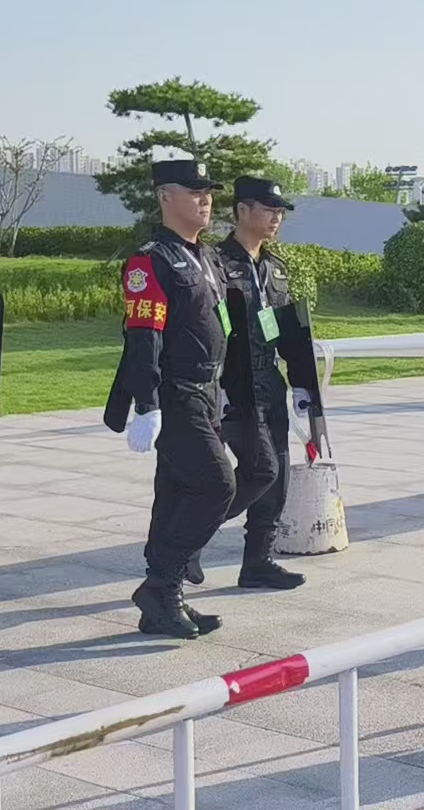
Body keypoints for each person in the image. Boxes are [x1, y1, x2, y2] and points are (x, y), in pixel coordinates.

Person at [105, 158, 235, 640]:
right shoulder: (151, 260)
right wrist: (147, 402)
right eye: (194, 191)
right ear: (165, 197)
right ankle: (161, 585)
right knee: (217, 484)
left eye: (208, 192)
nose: (205, 200)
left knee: (178, 489)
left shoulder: (207, 257)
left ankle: (164, 598)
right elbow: (144, 335)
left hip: (208, 390)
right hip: (176, 392)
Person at [184, 175, 310, 591]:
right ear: (242, 210)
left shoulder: (274, 267)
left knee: (278, 475)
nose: (276, 218)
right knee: (260, 471)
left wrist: (303, 383)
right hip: (233, 383)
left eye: (280, 211)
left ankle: (258, 561)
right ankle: (188, 540)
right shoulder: (217, 263)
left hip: (269, 380)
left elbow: (285, 328)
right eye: (269, 210)